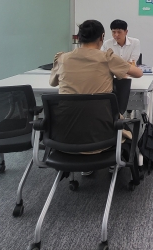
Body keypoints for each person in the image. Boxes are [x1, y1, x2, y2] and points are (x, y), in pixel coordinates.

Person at [50, 20, 143, 174]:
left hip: (65, 135)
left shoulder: (62, 58)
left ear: (79, 37)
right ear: (102, 37)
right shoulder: (107, 58)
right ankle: (113, 160)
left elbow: (52, 82)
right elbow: (138, 73)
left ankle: (84, 167)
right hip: (102, 135)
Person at [102, 19, 142, 118]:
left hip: (129, 75)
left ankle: (123, 111)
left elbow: (132, 62)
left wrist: (115, 66)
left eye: (119, 32)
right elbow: (103, 61)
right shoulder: (107, 43)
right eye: (113, 32)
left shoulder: (135, 42)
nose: (116, 35)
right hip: (112, 76)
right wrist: (122, 67)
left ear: (126, 32)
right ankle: (117, 113)